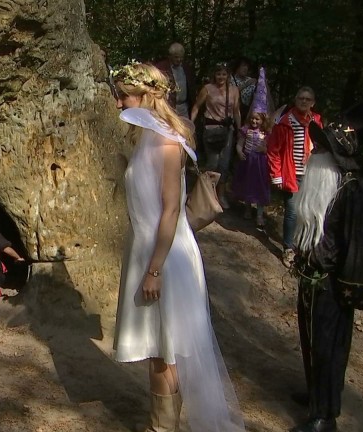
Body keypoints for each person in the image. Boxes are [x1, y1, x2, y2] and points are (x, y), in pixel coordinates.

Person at [109, 60, 244, 431]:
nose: (118, 104)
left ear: (146, 96)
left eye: (123, 97)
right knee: (161, 350)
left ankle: (161, 428)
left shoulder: (168, 142)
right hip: (148, 249)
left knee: (164, 353)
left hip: (165, 254)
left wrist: (154, 270)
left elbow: (170, 210)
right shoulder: (146, 136)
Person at [288, 93, 363, 432]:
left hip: (332, 287)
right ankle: (316, 395)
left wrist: (349, 291)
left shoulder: (353, 189)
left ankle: (325, 416)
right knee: (311, 341)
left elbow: (359, 249)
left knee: (330, 349)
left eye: (321, 149)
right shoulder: (326, 184)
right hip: (312, 281)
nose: (314, 153)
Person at [267, 87, 322, 267]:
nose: (303, 101)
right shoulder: (285, 122)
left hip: (311, 174)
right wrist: (276, 175)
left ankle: (304, 245)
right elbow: (274, 150)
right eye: (300, 98)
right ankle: (288, 249)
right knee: (292, 211)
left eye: (307, 99)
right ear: (295, 99)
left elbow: (321, 146)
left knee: (308, 211)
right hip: (291, 173)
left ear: (312, 103)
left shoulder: (316, 122)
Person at [190, 63, 242, 208]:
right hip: (211, 130)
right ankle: (204, 194)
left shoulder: (234, 90)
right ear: (214, 75)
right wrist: (190, 125)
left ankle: (221, 195)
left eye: (224, 74)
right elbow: (196, 107)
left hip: (228, 130)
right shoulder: (207, 89)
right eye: (218, 74)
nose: (221, 77)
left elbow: (237, 111)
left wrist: (240, 130)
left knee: (224, 164)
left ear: (228, 76)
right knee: (212, 163)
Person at [231, 67, 272, 229]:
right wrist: (239, 151)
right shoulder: (245, 130)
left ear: (263, 120)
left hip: (260, 164)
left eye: (258, 120)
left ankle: (260, 213)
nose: (254, 122)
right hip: (247, 161)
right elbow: (239, 143)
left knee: (260, 186)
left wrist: (265, 150)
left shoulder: (266, 133)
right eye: (253, 119)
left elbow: (271, 148)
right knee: (247, 184)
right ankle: (247, 208)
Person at [152, 42, 196, 118]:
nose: (179, 59)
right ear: (170, 56)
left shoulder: (186, 67)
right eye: (176, 57)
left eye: (181, 57)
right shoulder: (161, 68)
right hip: (168, 107)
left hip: (184, 107)